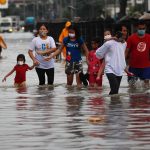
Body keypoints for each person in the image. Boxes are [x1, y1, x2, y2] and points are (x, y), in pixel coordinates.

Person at [125, 20, 150, 87]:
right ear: (137, 28)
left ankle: (145, 97)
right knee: (132, 86)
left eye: (143, 29)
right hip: (133, 66)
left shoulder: (149, 37)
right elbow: (126, 52)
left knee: (146, 85)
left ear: (146, 28)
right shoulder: (131, 38)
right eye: (140, 29)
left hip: (146, 66)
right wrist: (122, 63)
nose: (141, 30)